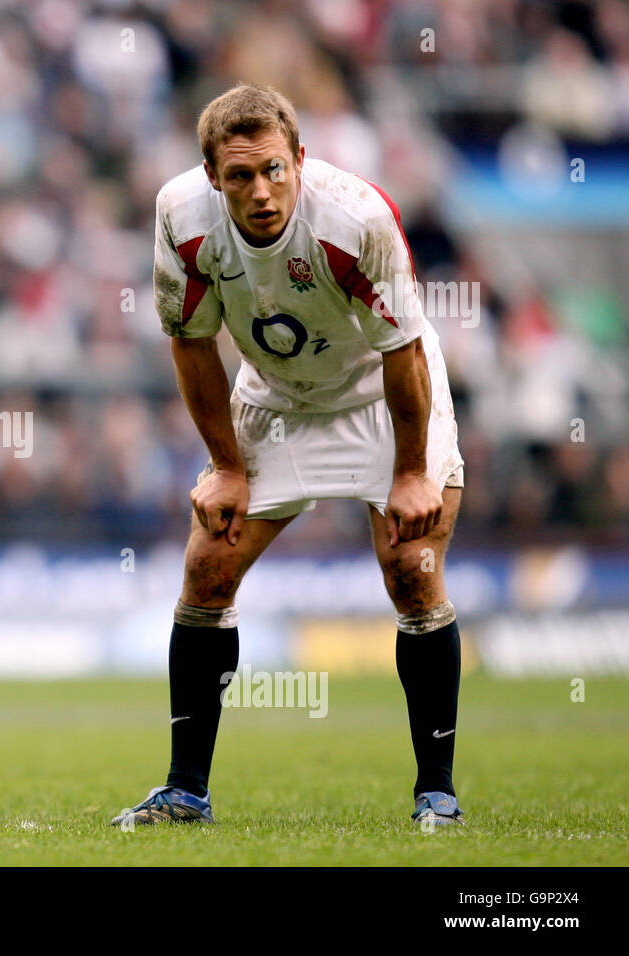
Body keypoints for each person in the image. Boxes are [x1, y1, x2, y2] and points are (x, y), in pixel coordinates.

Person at [112, 83, 466, 829]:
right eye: (240, 176)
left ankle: (437, 792)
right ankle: (185, 792)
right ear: (213, 178)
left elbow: (403, 349)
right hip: (276, 398)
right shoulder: (181, 218)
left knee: (411, 571)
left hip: (382, 392)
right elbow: (191, 340)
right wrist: (227, 466)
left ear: (300, 159)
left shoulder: (357, 217)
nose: (262, 191)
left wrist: (409, 474)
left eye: (274, 169)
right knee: (208, 566)